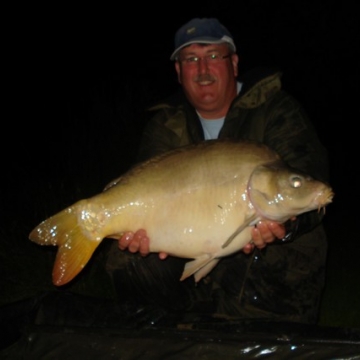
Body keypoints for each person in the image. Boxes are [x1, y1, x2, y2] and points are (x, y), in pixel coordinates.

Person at [105, 17, 329, 324]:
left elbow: (309, 181)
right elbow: (143, 189)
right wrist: (134, 233)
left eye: (213, 56)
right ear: (178, 71)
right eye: (191, 59)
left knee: (273, 250)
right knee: (125, 259)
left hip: (270, 263)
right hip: (193, 245)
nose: (203, 69)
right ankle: (175, 333)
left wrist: (288, 226)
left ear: (234, 63)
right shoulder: (165, 127)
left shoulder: (277, 109)